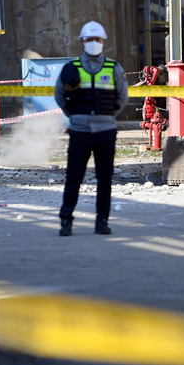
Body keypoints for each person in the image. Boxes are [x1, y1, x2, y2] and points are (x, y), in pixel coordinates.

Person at [54, 21, 129, 236]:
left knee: (104, 180)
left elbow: (122, 97)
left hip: (105, 132)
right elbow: (59, 96)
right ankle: (66, 221)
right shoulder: (71, 68)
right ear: (82, 42)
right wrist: (74, 116)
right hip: (80, 132)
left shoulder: (113, 68)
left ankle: (102, 222)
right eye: (90, 39)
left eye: (97, 39)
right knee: (73, 179)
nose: (94, 43)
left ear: (103, 42)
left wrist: (107, 117)